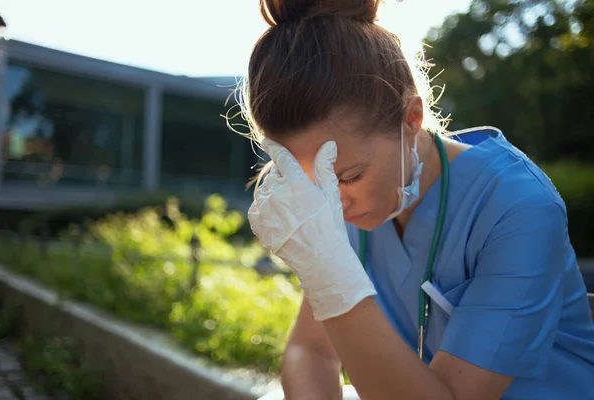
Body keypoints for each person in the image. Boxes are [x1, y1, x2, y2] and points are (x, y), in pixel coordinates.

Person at [238, 1, 594, 399]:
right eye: (314, 187)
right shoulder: (346, 207)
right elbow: (310, 351)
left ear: (411, 118)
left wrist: (331, 279)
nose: (333, 204)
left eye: (349, 176)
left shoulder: (519, 207)